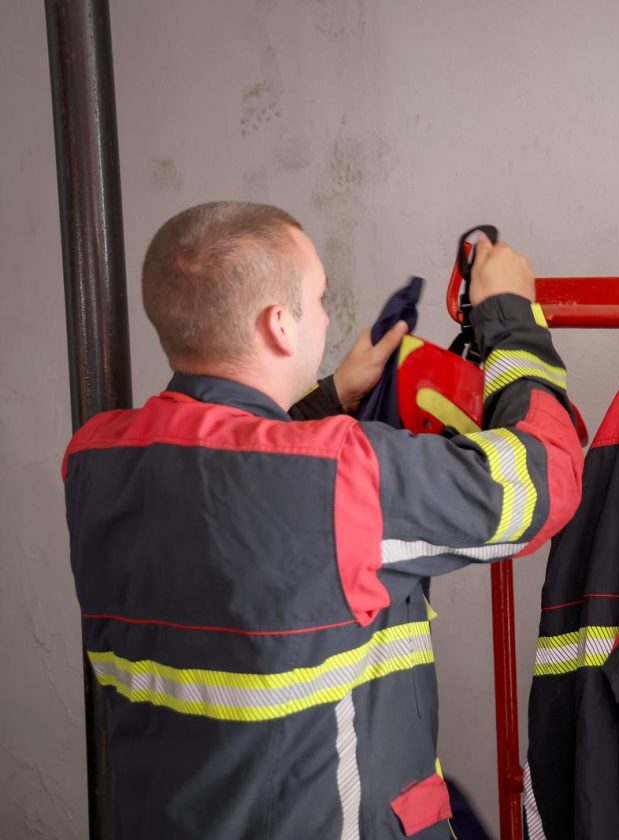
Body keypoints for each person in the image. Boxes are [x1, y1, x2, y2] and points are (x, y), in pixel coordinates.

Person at [61, 202, 583, 839]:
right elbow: (545, 478)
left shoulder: (94, 460)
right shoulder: (337, 473)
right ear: (279, 324)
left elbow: (234, 482)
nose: (328, 317)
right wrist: (512, 321)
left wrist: (330, 396)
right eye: (318, 298)